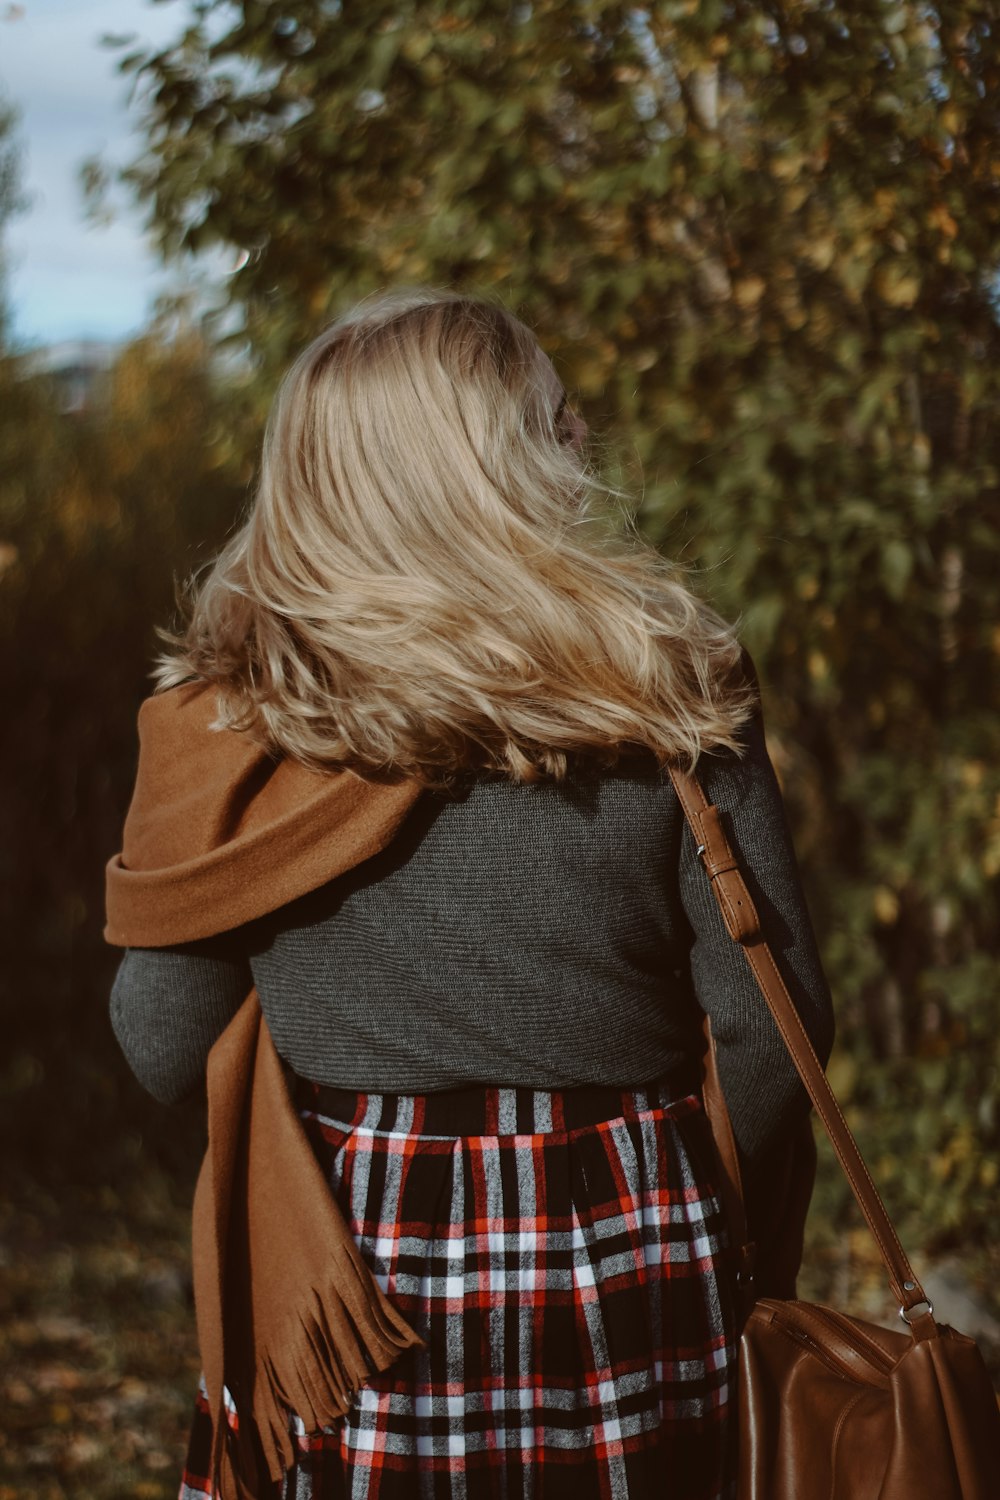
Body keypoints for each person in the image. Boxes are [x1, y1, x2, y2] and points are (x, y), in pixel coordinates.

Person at [106, 286, 835, 1500]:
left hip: (355, 1255)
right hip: (632, 1225)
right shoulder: (665, 678)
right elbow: (775, 1029)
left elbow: (158, 1044)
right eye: (556, 416)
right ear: (496, 468)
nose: (583, 438)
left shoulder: (239, 720)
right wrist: (727, 1226)